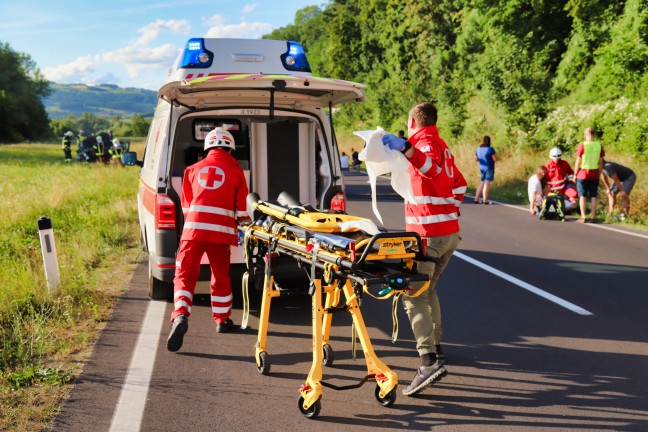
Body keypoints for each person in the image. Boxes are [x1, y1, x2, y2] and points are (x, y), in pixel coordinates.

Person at [382, 102, 466, 396]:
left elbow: (428, 169)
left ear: (413, 121)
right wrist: (449, 216)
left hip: (428, 236)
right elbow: (460, 186)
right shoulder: (442, 145)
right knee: (428, 291)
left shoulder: (425, 143)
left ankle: (428, 362)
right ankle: (437, 349)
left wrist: (406, 148)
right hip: (447, 235)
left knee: (412, 295)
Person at [167, 127, 249, 352]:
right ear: (230, 149)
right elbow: (242, 209)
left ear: (208, 148)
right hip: (221, 233)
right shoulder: (235, 170)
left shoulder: (192, 170)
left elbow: (186, 206)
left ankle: (181, 315)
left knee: (184, 274)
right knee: (220, 275)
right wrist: (245, 228)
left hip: (193, 232)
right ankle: (222, 320)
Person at [574, 127, 605, 223]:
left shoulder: (582, 145)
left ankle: (583, 217)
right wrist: (599, 172)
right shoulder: (598, 145)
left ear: (585, 134)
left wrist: (575, 174)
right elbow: (601, 162)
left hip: (583, 173)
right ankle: (592, 216)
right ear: (594, 134)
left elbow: (578, 162)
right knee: (593, 196)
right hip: (594, 173)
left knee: (582, 195)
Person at [474, 135, 497, 204]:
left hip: (482, 168)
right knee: (487, 184)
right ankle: (485, 200)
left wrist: (482, 160)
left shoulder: (478, 149)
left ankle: (476, 198)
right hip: (489, 167)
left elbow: (476, 159)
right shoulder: (490, 149)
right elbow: (495, 159)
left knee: (482, 182)